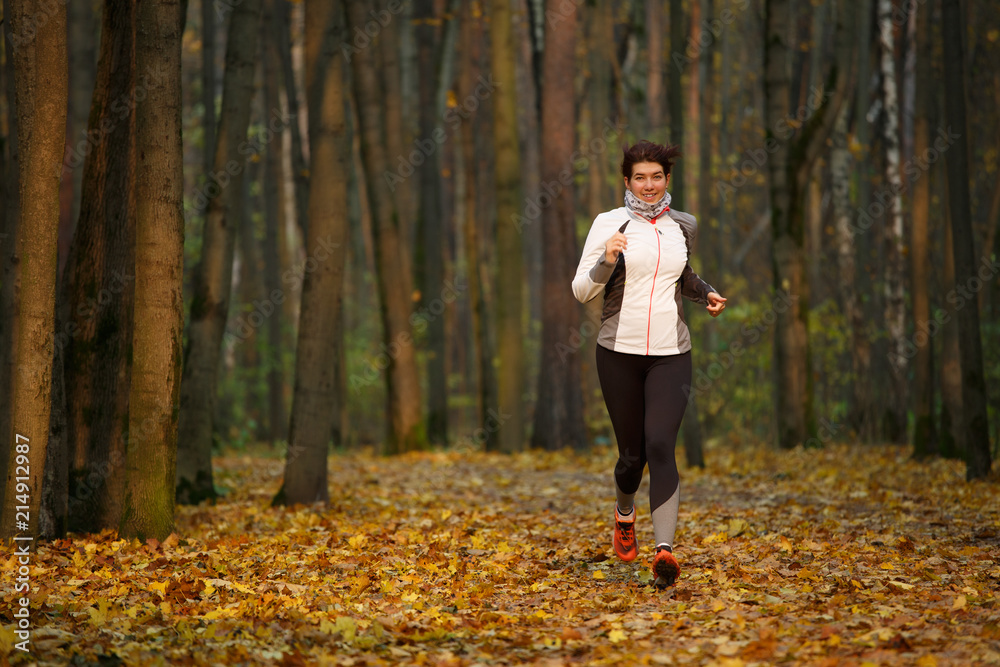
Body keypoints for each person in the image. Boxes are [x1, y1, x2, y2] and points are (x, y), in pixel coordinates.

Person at [571, 140, 726, 589]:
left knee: (660, 444)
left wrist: (707, 293)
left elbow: (683, 275)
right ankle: (624, 514)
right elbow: (583, 290)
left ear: (667, 179)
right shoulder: (609, 223)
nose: (649, 185)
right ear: (626, 181)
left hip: (670, 353)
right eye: (640, 177)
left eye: (657, 176)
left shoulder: (685, 225)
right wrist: (608, 258)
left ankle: (664, 553)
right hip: (617, 353)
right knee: (631, 456)